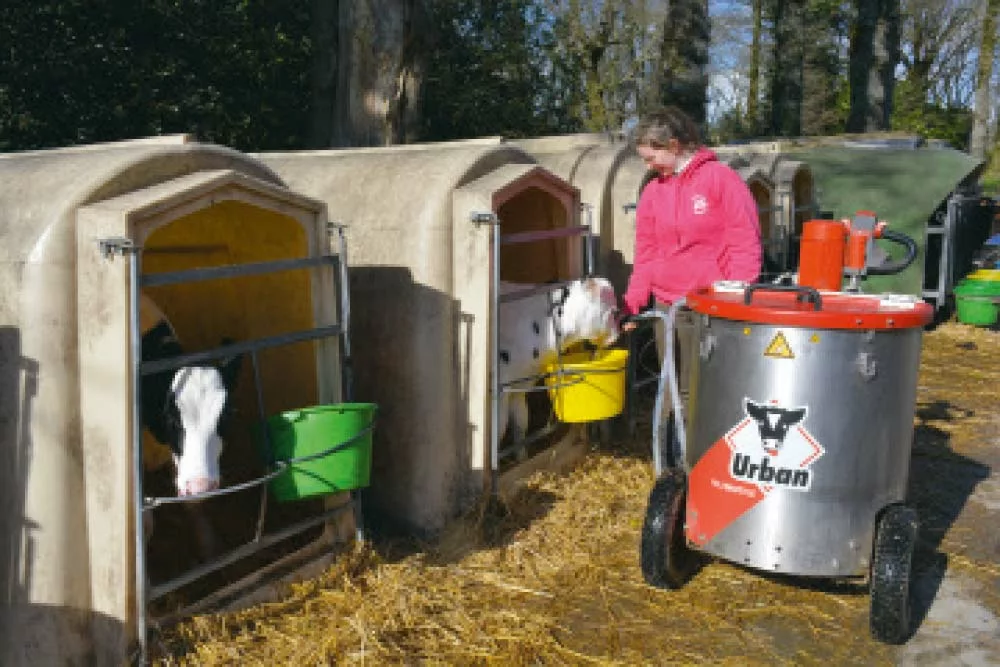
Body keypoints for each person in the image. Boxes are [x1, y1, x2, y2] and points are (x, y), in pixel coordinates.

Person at [620, 106, 762, 459]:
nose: (647, 165)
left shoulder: (720, 180)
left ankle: (704, 460)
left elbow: (744, 241)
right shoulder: (654, 192)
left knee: (698, 388)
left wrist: (737, 295)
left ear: (673, 144)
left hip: (709, 304)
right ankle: (672, 461)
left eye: (651, 156)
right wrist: (633, 302)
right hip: (667, 303)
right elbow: (647, 252)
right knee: (668, 386)